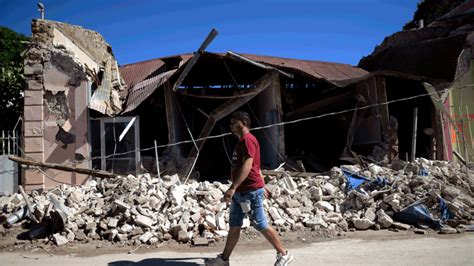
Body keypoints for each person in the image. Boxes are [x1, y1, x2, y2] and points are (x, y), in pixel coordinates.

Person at [206, 111, 293, 266]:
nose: (231, 125)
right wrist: (263, 185)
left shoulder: (247, 140)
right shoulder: (242, 142)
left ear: (243, 123)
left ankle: (284, 254)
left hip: (250, 191)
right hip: (242, 192)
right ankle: (224, 260)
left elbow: (248, 165)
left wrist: (232, 188)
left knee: (260, 224)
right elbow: (256, 166)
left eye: (234, 122)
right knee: (234, 226)